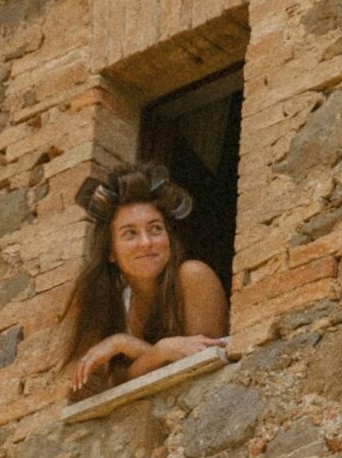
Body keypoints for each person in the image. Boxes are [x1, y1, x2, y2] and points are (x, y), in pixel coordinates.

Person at [64, 162, 229, 400]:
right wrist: (154, 351)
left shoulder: (193, 276)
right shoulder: (115, 303)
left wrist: (130, 346)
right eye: (130, 233)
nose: (146, 243)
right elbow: (97, 388)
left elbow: (200, 365)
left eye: (155, 229)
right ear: (111, 252)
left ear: (168, 239)